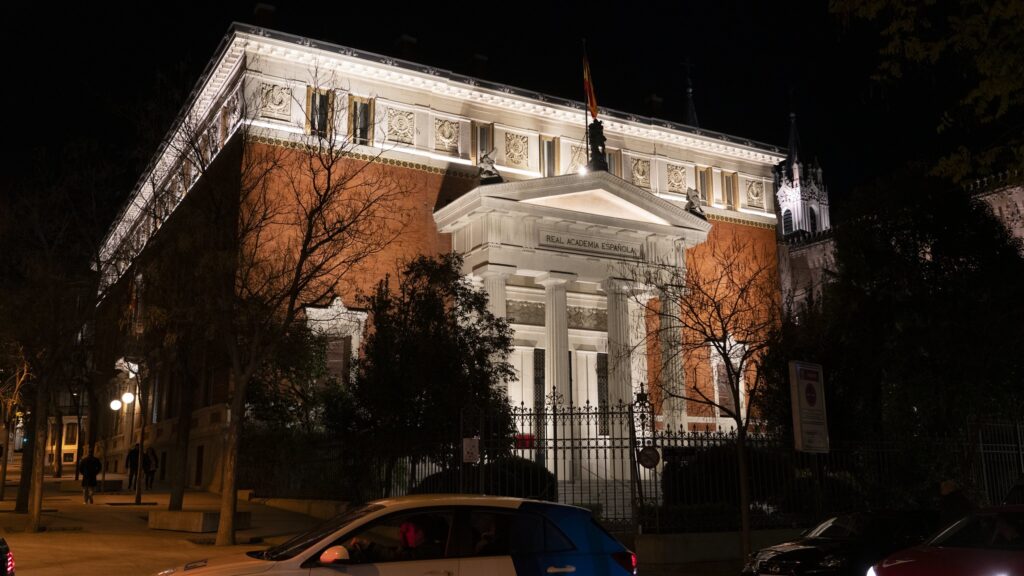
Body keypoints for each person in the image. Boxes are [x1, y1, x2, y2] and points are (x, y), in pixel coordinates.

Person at [348, 515, 446, 562]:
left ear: (421, 533)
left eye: (407, 530)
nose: (402, 534)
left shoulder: (430, 550)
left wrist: (369, 546)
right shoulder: (414, 549)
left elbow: (398, 558)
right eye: (401, 530)